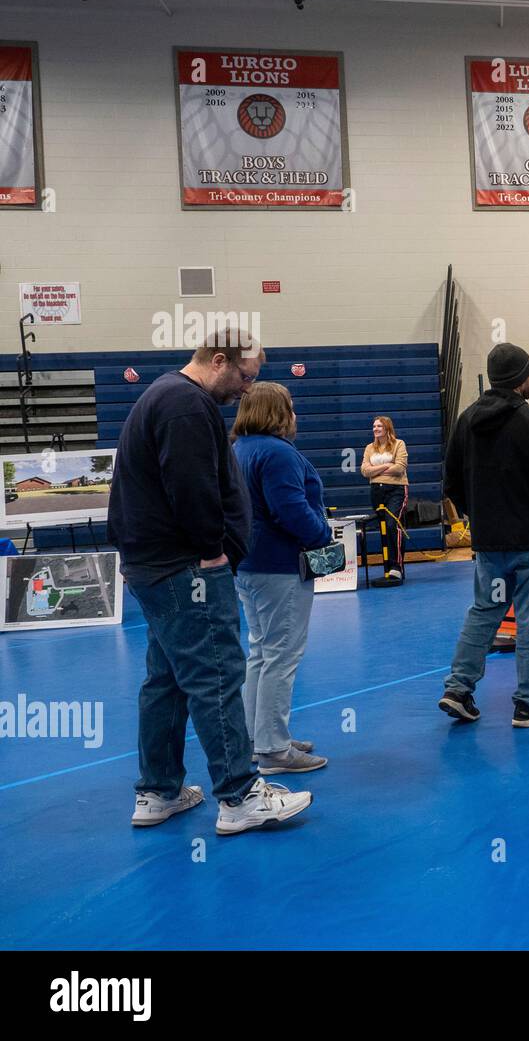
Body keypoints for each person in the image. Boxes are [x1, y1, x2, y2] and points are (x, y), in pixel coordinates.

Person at [108, 340, 312, 835]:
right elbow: (191, 485)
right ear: (218, 360)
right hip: (185, 570)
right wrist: (211, 550)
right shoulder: (184, 404)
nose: (247, 388)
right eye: (245, 376)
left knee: (166, 680)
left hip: (155, 565)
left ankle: (159, 790)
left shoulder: (165, 396)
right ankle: (239, 795)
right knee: (216, 674)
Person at [439, 343, 529, 727]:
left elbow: (450, 481)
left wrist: (476, 516)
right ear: (523, 378)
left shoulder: (467, 421)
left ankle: (458, 688)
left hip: (489, 540)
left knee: (484, 611)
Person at [231, 382, 334, 773]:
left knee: (261, 651)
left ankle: (258, 736)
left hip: (249, 564)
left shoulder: (239, 449)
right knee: (281, 655)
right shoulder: (277, 453)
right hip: (279, 565)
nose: (295, 415)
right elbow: (289, 509)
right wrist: (323, 533)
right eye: (290, 408)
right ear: (278, 413)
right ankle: (274, 749)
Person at [361, 416, 408, 582]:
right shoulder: (369, 448)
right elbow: (365, 471)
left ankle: (397, 567)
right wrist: (386, 466)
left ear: (387, 428)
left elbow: (400, 468)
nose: (375, 428)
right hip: (376, 492)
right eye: (374, 426)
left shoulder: (399, 444)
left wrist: (376, 471)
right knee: (382, 528)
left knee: (391, 524)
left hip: (396, 490)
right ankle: (387, 567)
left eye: (379, 426)